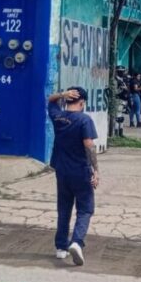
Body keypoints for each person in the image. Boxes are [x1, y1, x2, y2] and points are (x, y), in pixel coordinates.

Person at [47, 87, 99, 267]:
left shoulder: (58, 117)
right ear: (82, 102)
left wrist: (61, 94)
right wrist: (96, 170)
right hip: (80, 171)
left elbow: (50, 100)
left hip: (61, 170)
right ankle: (76, 242)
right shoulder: (84, 120)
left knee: (64, 208)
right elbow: (89, 145)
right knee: (85, 209)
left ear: (68, 99)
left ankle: (61, 248)